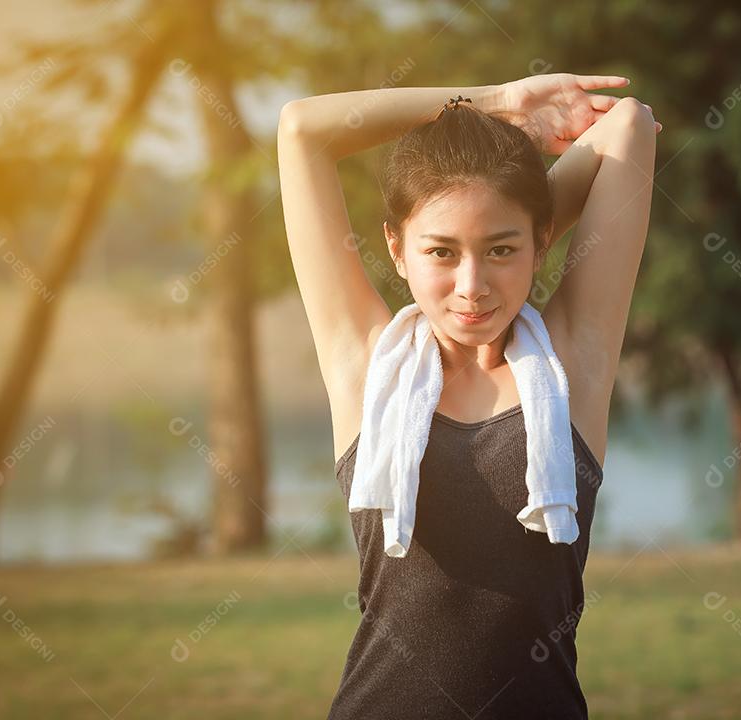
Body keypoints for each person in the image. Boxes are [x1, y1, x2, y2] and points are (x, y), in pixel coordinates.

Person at [277, 73, 659, 720]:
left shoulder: (573, 360)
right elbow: (301, 130)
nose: (472, 286)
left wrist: (505, 208)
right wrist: (495, 105)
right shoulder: (366, 365)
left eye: (501, 251)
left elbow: (629, 124)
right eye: (441, 252)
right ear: (396, 250)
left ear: (543, 243)